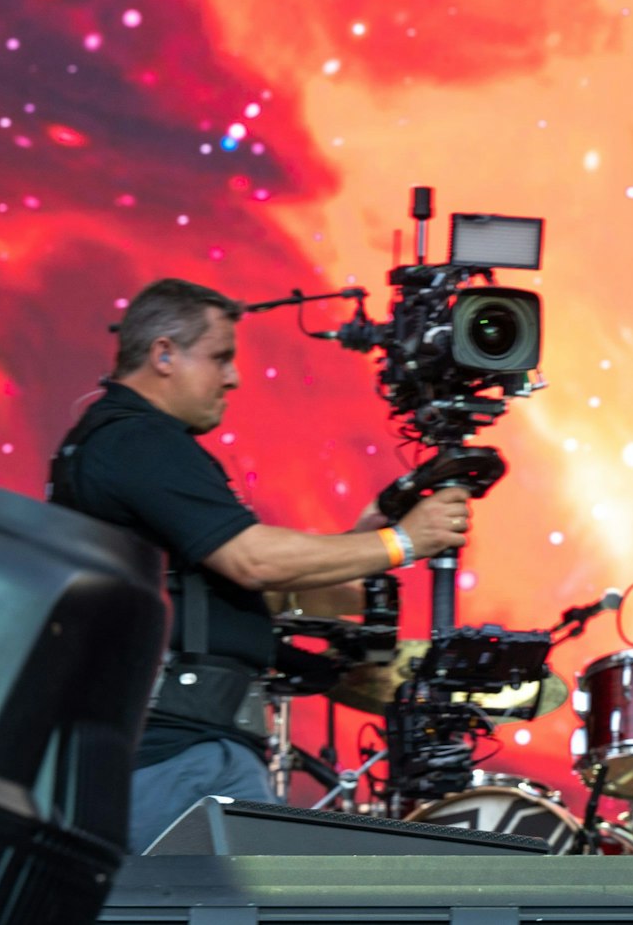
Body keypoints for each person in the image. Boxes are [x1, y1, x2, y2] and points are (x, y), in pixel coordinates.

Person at [47, 278, 473, 852]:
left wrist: (358, 543)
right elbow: (253, 561)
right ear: (163, 354)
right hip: (176, 756)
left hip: (181, 748)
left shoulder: (121, 443)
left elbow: (236, 585)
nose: (234, 378)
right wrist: (403, 542)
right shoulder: (137, 441)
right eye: (220, 357)